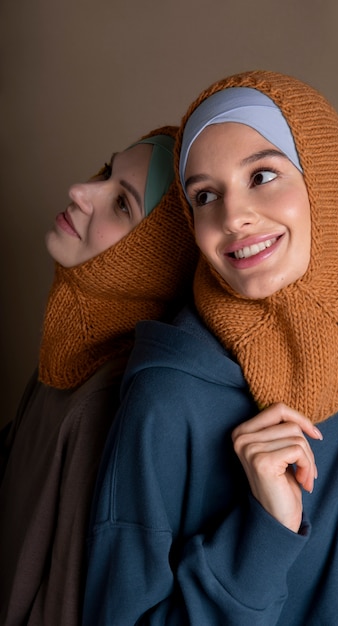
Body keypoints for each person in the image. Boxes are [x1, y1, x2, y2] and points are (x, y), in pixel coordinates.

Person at [83, 71, 338, 625]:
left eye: (263, 174)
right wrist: (263, 532)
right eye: (205, 196)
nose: (231, 216)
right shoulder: (166, 396)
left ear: (325, 182)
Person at [0, 125, 197, 626]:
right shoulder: (70, 353)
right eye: (106, 172)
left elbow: (64, 604)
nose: (81, 191)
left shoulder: (109, 398)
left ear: (151, 262)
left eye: (122, 204)